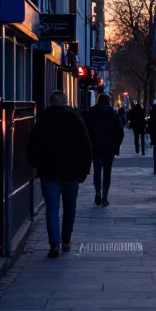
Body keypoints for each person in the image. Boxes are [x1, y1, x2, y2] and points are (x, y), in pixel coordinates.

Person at [26, 90, 93, 258]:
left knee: (52, 209)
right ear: (66, 102)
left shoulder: (43, 121)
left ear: (51, 103)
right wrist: (84, 170)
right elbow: (86, 147)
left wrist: (37, 165)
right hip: (71, 173)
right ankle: (66, 241)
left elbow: (31, 147)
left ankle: (54, 245)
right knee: (70, 208)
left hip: (49, 172)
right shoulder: (76, 120)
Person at [83, 91, 124, 206]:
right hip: (109, 148)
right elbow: (120, 132)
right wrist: (116, 146)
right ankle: (105, 196)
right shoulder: (113, 114)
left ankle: (97, 191)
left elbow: (85, 130)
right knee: (107, 171)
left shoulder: (91, 113)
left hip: (95, 147)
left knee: (97, 171)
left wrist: (88, 144)